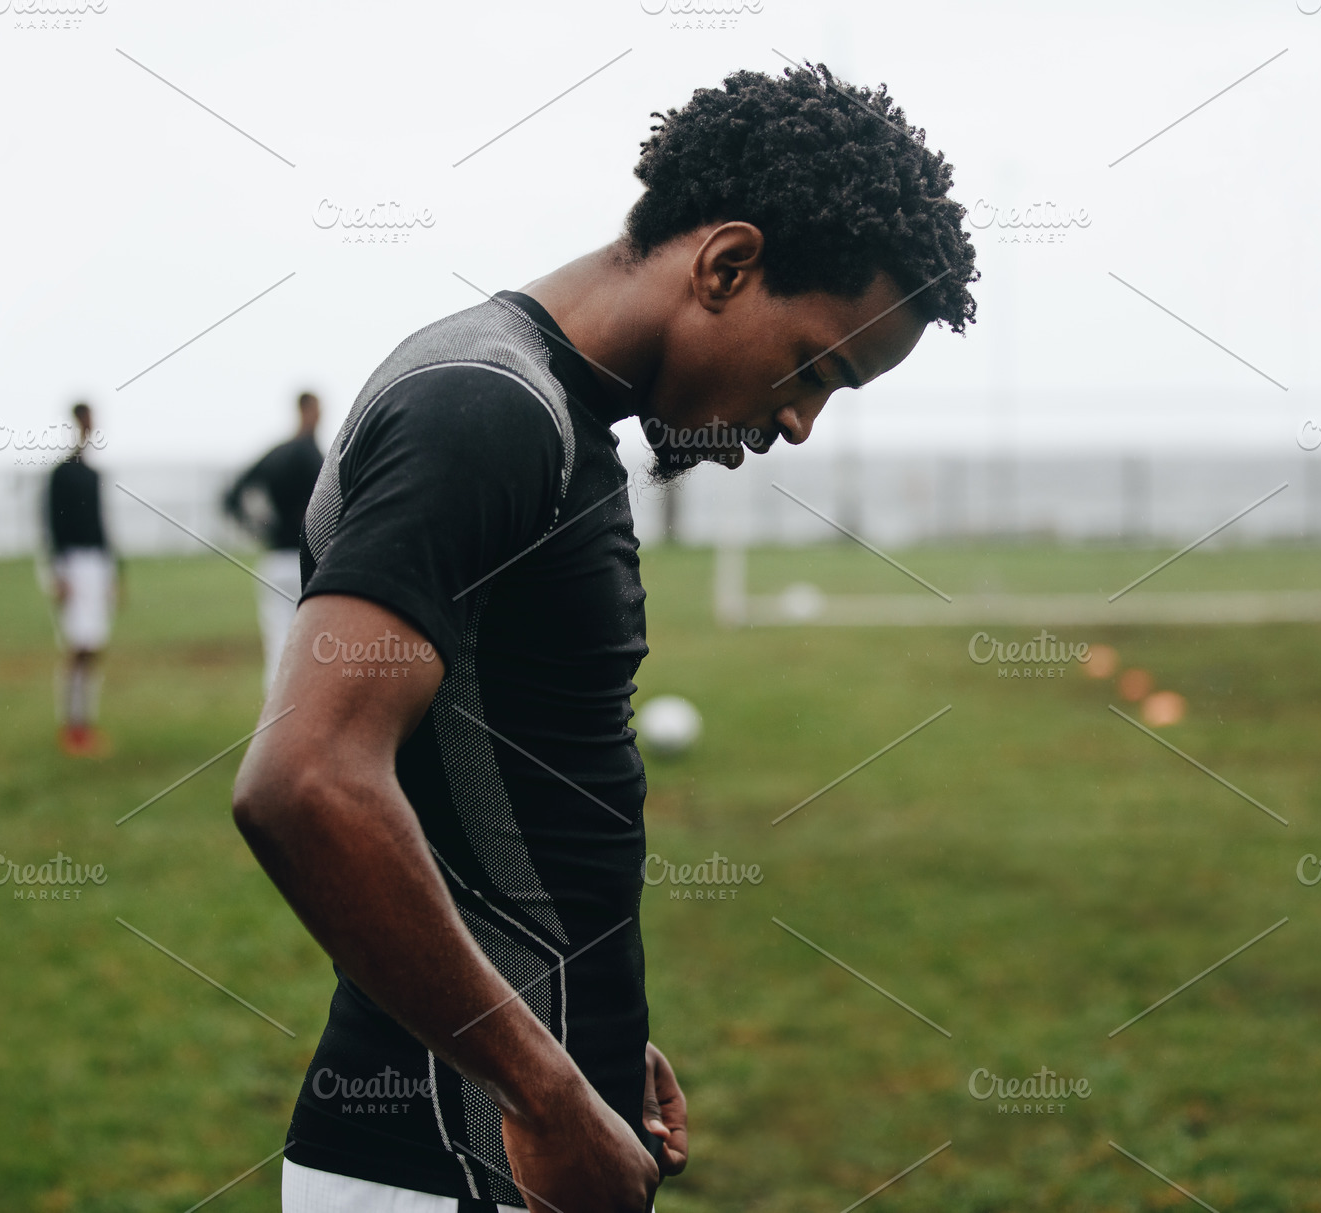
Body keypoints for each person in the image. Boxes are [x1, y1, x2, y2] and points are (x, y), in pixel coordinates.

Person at [231, 62, 977, 1213]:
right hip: (444, 1162)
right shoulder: (485, 411)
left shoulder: (553, 414)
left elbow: (501, 798)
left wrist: (584, 1021)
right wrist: (541, 1093)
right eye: (811, 368)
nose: (796, 423)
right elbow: (306, 779)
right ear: (725, 265)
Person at [223, 392, 326, 694]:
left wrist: (261, 529)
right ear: (308, 411)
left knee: (278, 643)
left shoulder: (276, 454)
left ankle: (275, 717)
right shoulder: (315, 457)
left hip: (275, 560)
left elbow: (232, 496)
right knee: (313, 645)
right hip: (308, 562)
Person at [45, 402, 118, 758]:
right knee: (76, 646)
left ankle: (85, 722)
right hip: (72, 564)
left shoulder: (93, 475)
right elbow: (52, 526)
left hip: (96, 565)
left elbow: (103, 526)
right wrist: (57, 574)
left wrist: (114, 573)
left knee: (93, 647)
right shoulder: (61, 474)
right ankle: (71, 725)